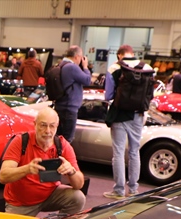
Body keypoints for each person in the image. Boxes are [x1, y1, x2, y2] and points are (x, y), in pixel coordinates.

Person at [0, 107, 86, 216]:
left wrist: (71, 171)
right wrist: (27, 169)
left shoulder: (62, 145)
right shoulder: (20, 141)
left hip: (50, 195)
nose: (48, 131)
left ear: (57, 126)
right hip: (21, 203)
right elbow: (3, 177)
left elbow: (79, 185)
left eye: (52, 126)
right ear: (35, 124)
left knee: (78, 197)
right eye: (43, 125)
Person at [104, 44, 153, 199]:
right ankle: (133, 190)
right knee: (134, 151)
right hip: (138, 114)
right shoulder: (147, 68)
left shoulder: (114, 68)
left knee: (118, 152)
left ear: (120, 55)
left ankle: (118, 190)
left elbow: (108, 95)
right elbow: (150, 94)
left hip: (119, 114)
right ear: (132, 53)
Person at [53, 45, 92, 144]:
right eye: (81, 57)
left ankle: (56, 154)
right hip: (69, 108)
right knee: (67, 140)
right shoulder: (72, 67)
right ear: (77, 56)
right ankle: (62, 154)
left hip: (60, 105)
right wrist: (85, 67)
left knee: (58, 138)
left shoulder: (61, 64)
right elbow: (87, 80)